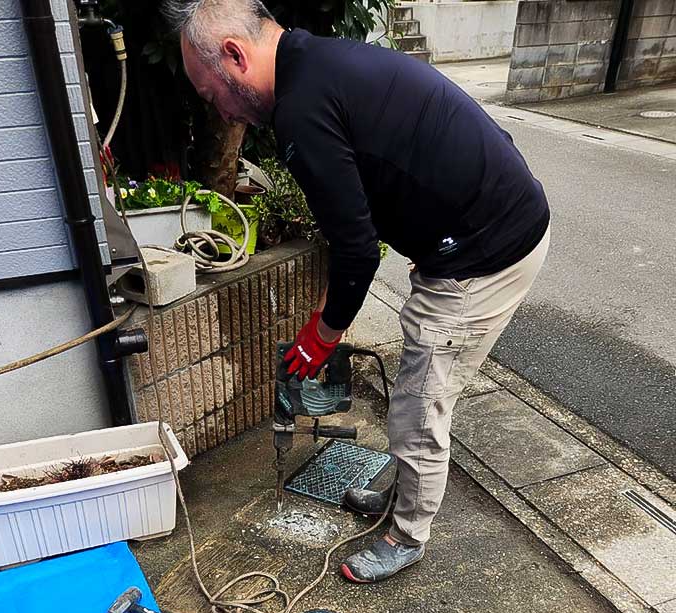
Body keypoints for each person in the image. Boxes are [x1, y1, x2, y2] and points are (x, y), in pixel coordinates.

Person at [164, 0, 550, 583]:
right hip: (483, 222)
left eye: (207, 89)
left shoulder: (301, 109)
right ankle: (407, 488)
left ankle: (407, 534)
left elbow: (357, 250)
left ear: (236, 57)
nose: (212, 104)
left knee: (419, 404)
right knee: (418, 395)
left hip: (488, 250)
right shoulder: (315, 62)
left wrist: (323, 334)